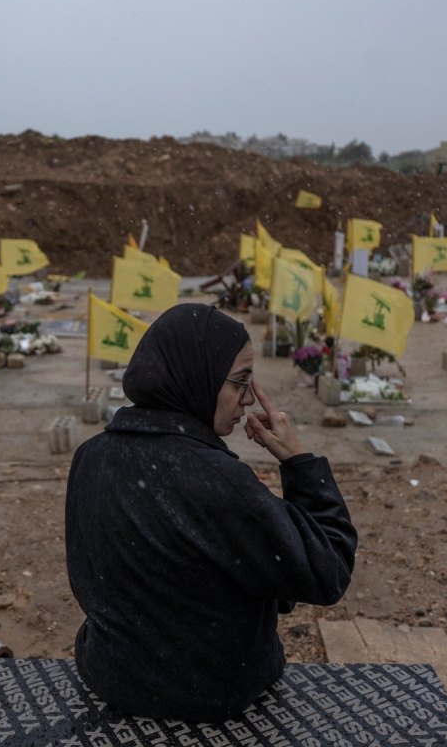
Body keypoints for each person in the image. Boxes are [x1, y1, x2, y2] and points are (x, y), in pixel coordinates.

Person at [65, 304, 357, 722]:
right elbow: (328, 570)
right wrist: (300, 462)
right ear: (195, 376)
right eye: (240, 381)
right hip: (205, 693)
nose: (249, 398)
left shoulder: (90, 456)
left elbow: (108, 577)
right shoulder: (217, 481)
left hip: (112, 675)